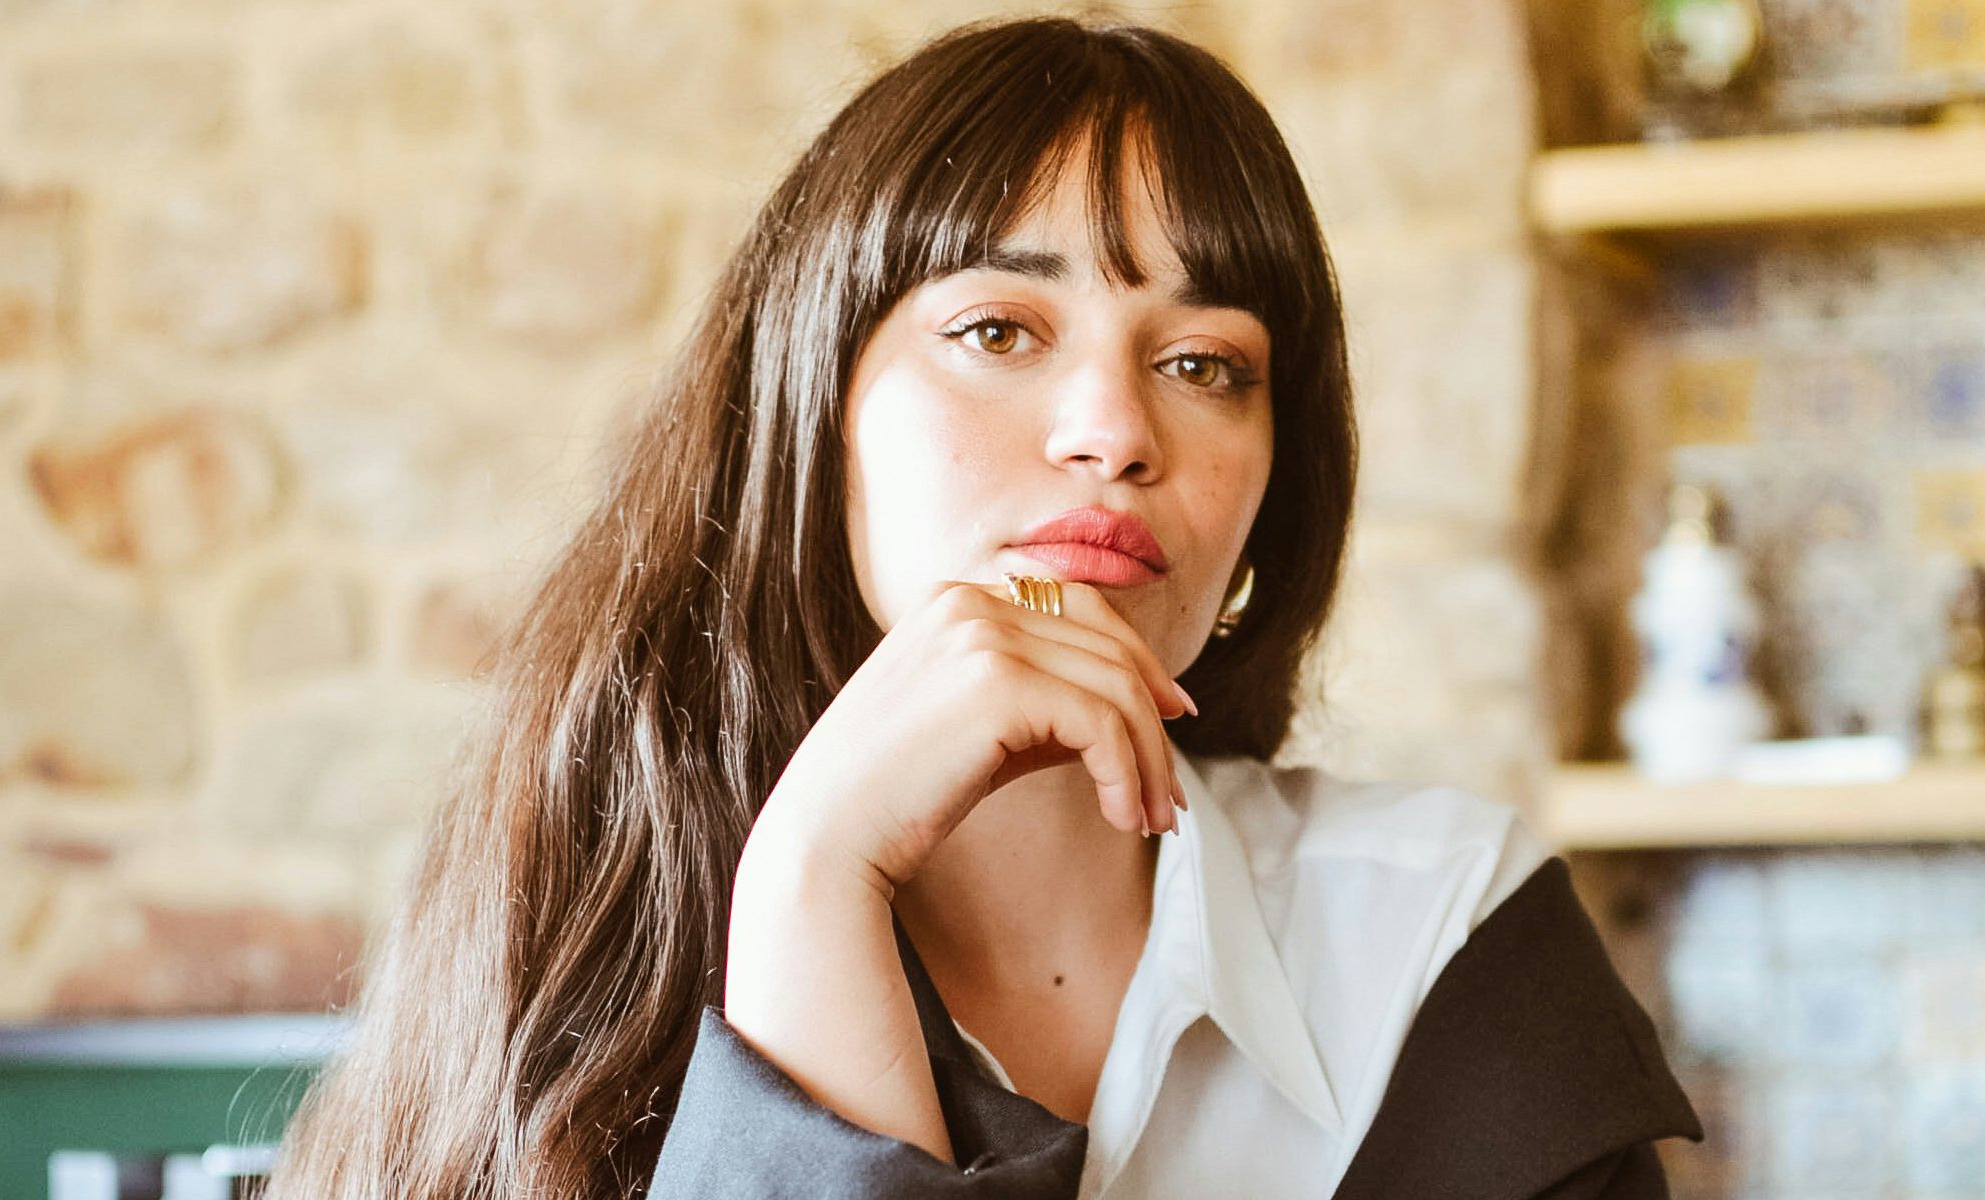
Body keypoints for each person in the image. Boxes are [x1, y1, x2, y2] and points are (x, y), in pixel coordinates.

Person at [265, 15, 1701, 1200]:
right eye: (998, 331)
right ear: (809, 418)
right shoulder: (561, 959)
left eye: (1204, 364)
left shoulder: (1445, 938)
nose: (1112, 431)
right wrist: (812, 883)